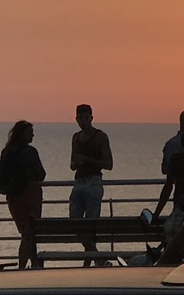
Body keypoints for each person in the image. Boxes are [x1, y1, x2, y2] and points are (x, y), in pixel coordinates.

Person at [0, 120, 46, 269]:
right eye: (30, 132)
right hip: (29, 194)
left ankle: (33, 264)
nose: (33, 135)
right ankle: (23, 266)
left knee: (26, 231)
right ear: (22, 134)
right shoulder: (30, 152)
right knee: (30, 233)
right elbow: (41, 174)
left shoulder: (7, 151)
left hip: (14, 197)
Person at [69, 104, 113, 263]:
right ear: (76, 119)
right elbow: (72, 164)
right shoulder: (76, 137)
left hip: (93, 182)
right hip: (79, 181)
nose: (83, 121)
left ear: (91, 118)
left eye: (86, 118)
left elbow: (108, 164)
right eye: (80, 118)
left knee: (90, 225)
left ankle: (90, 261)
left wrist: (87, 160)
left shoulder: (100, 137)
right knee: (75, 223)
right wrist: (76, 163)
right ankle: (97, 260)